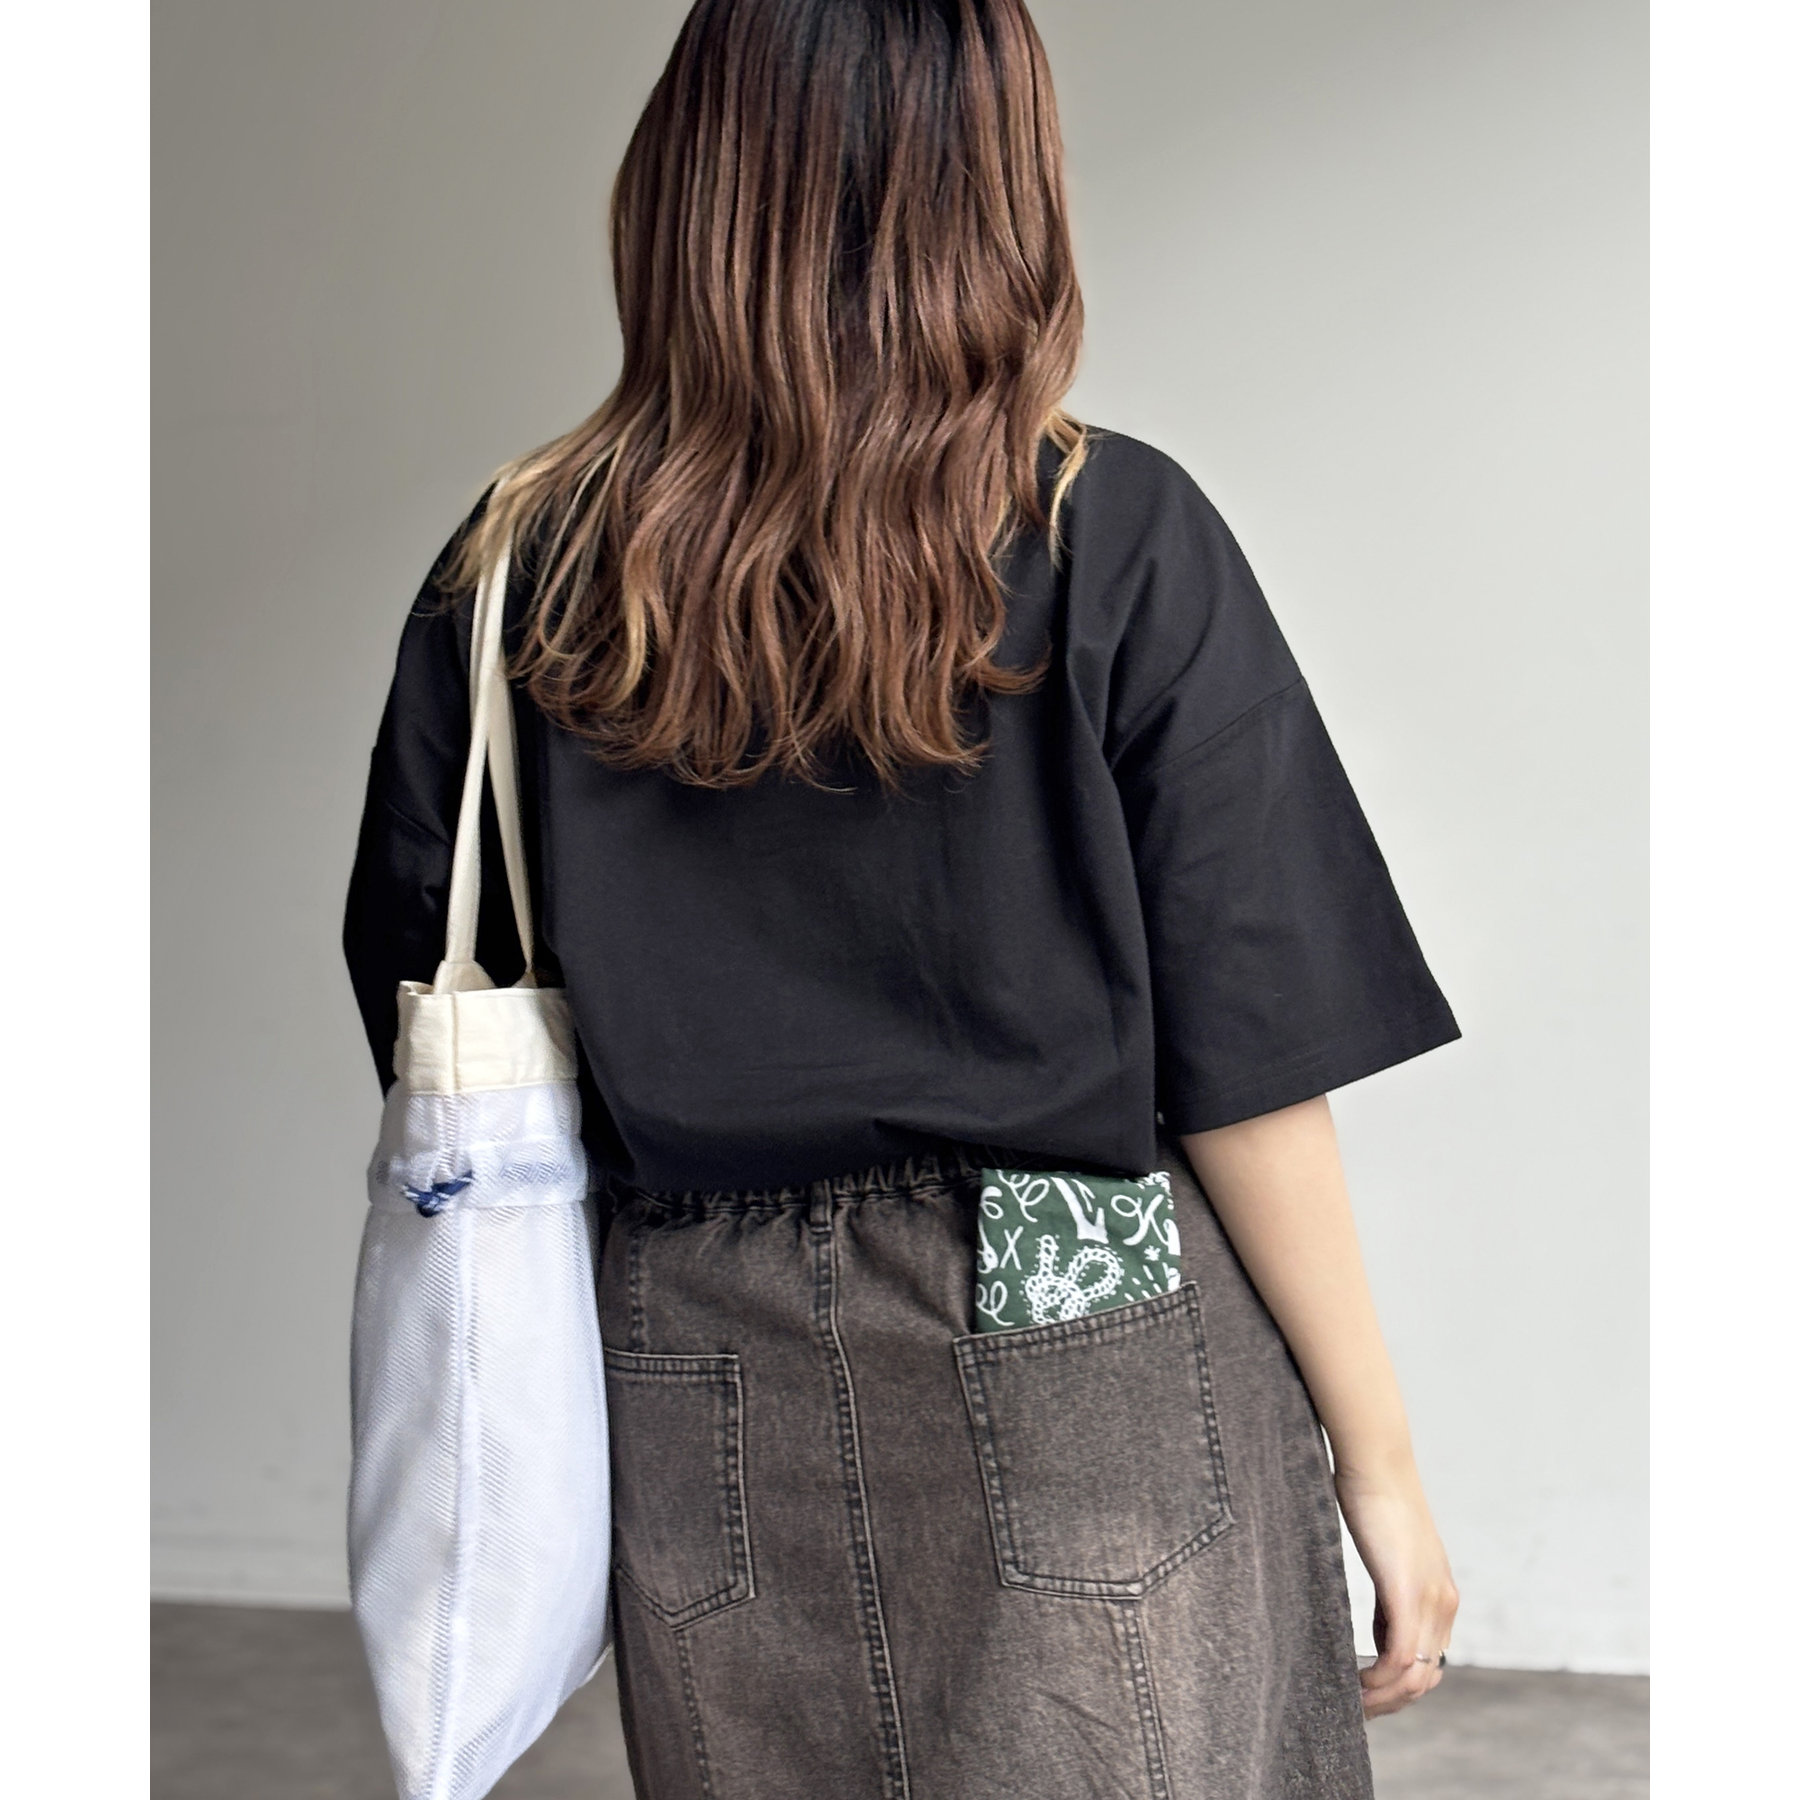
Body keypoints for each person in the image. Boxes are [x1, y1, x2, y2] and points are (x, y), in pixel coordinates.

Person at [343, 1, 1462, 1794]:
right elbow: (1252, 1059)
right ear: (997, 185)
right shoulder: (1112, 526)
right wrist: (1379, 1465)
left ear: (686, 182)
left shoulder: (513, 569)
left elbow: (425, 987)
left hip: (693, 1339)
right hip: (1080, 1311)